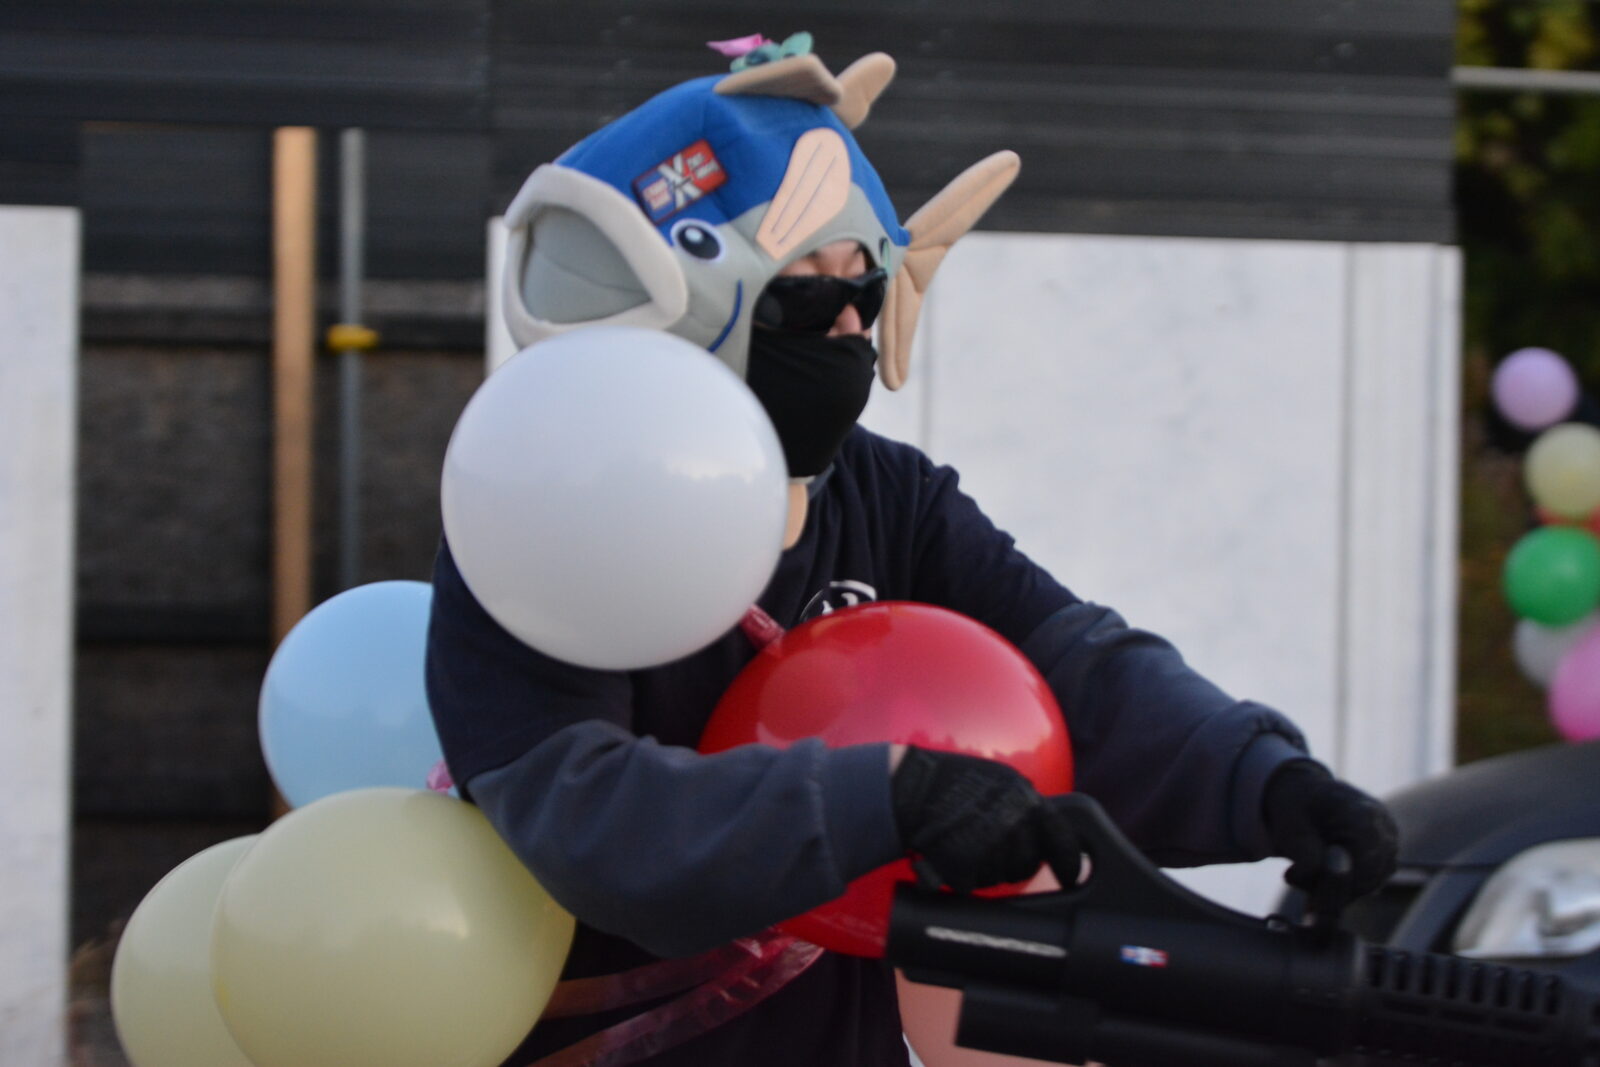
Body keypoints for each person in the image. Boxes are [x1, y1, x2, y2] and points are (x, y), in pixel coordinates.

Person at [426, 37, 1398, 1067]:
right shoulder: (540, 514)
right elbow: (585, 815)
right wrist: (881, 796)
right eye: (806, 294)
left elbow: (1070, 664)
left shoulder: (890, 496)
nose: (846, 325)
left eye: (867, 290)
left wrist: (1265, 780)